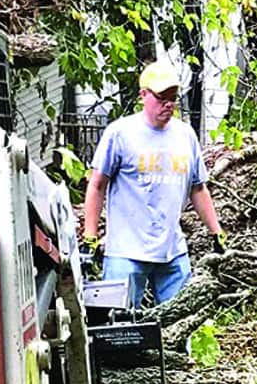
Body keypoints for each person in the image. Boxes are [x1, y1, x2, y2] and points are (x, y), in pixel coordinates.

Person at [81, 60, 227, 307]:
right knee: (118, 328)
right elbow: (96, 184)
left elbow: (198, 188)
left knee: (179, 323)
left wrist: (216, 231)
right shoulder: (120, 133)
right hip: (126, 253)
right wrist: (90, 235)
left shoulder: (185, 135)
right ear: (143, 95)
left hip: (172, 251)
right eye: (161, 97)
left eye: (173, 97)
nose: (168, 104)